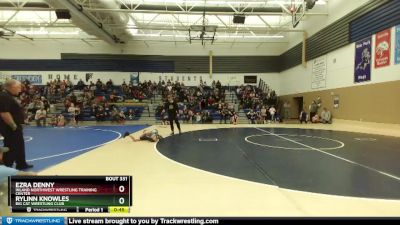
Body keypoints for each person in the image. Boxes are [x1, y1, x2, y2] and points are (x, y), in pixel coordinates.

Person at [0, 80, 33, 170]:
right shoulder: (4, 96)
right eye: (18, 87)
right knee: (12, 145)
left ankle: (21, 163)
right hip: (10, 127)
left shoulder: (9, 96)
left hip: (15, 126)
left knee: (19, 145)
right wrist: (13, 126)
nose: (20, 90)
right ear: (11, 87)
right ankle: (7, 166)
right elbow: (4, 113)